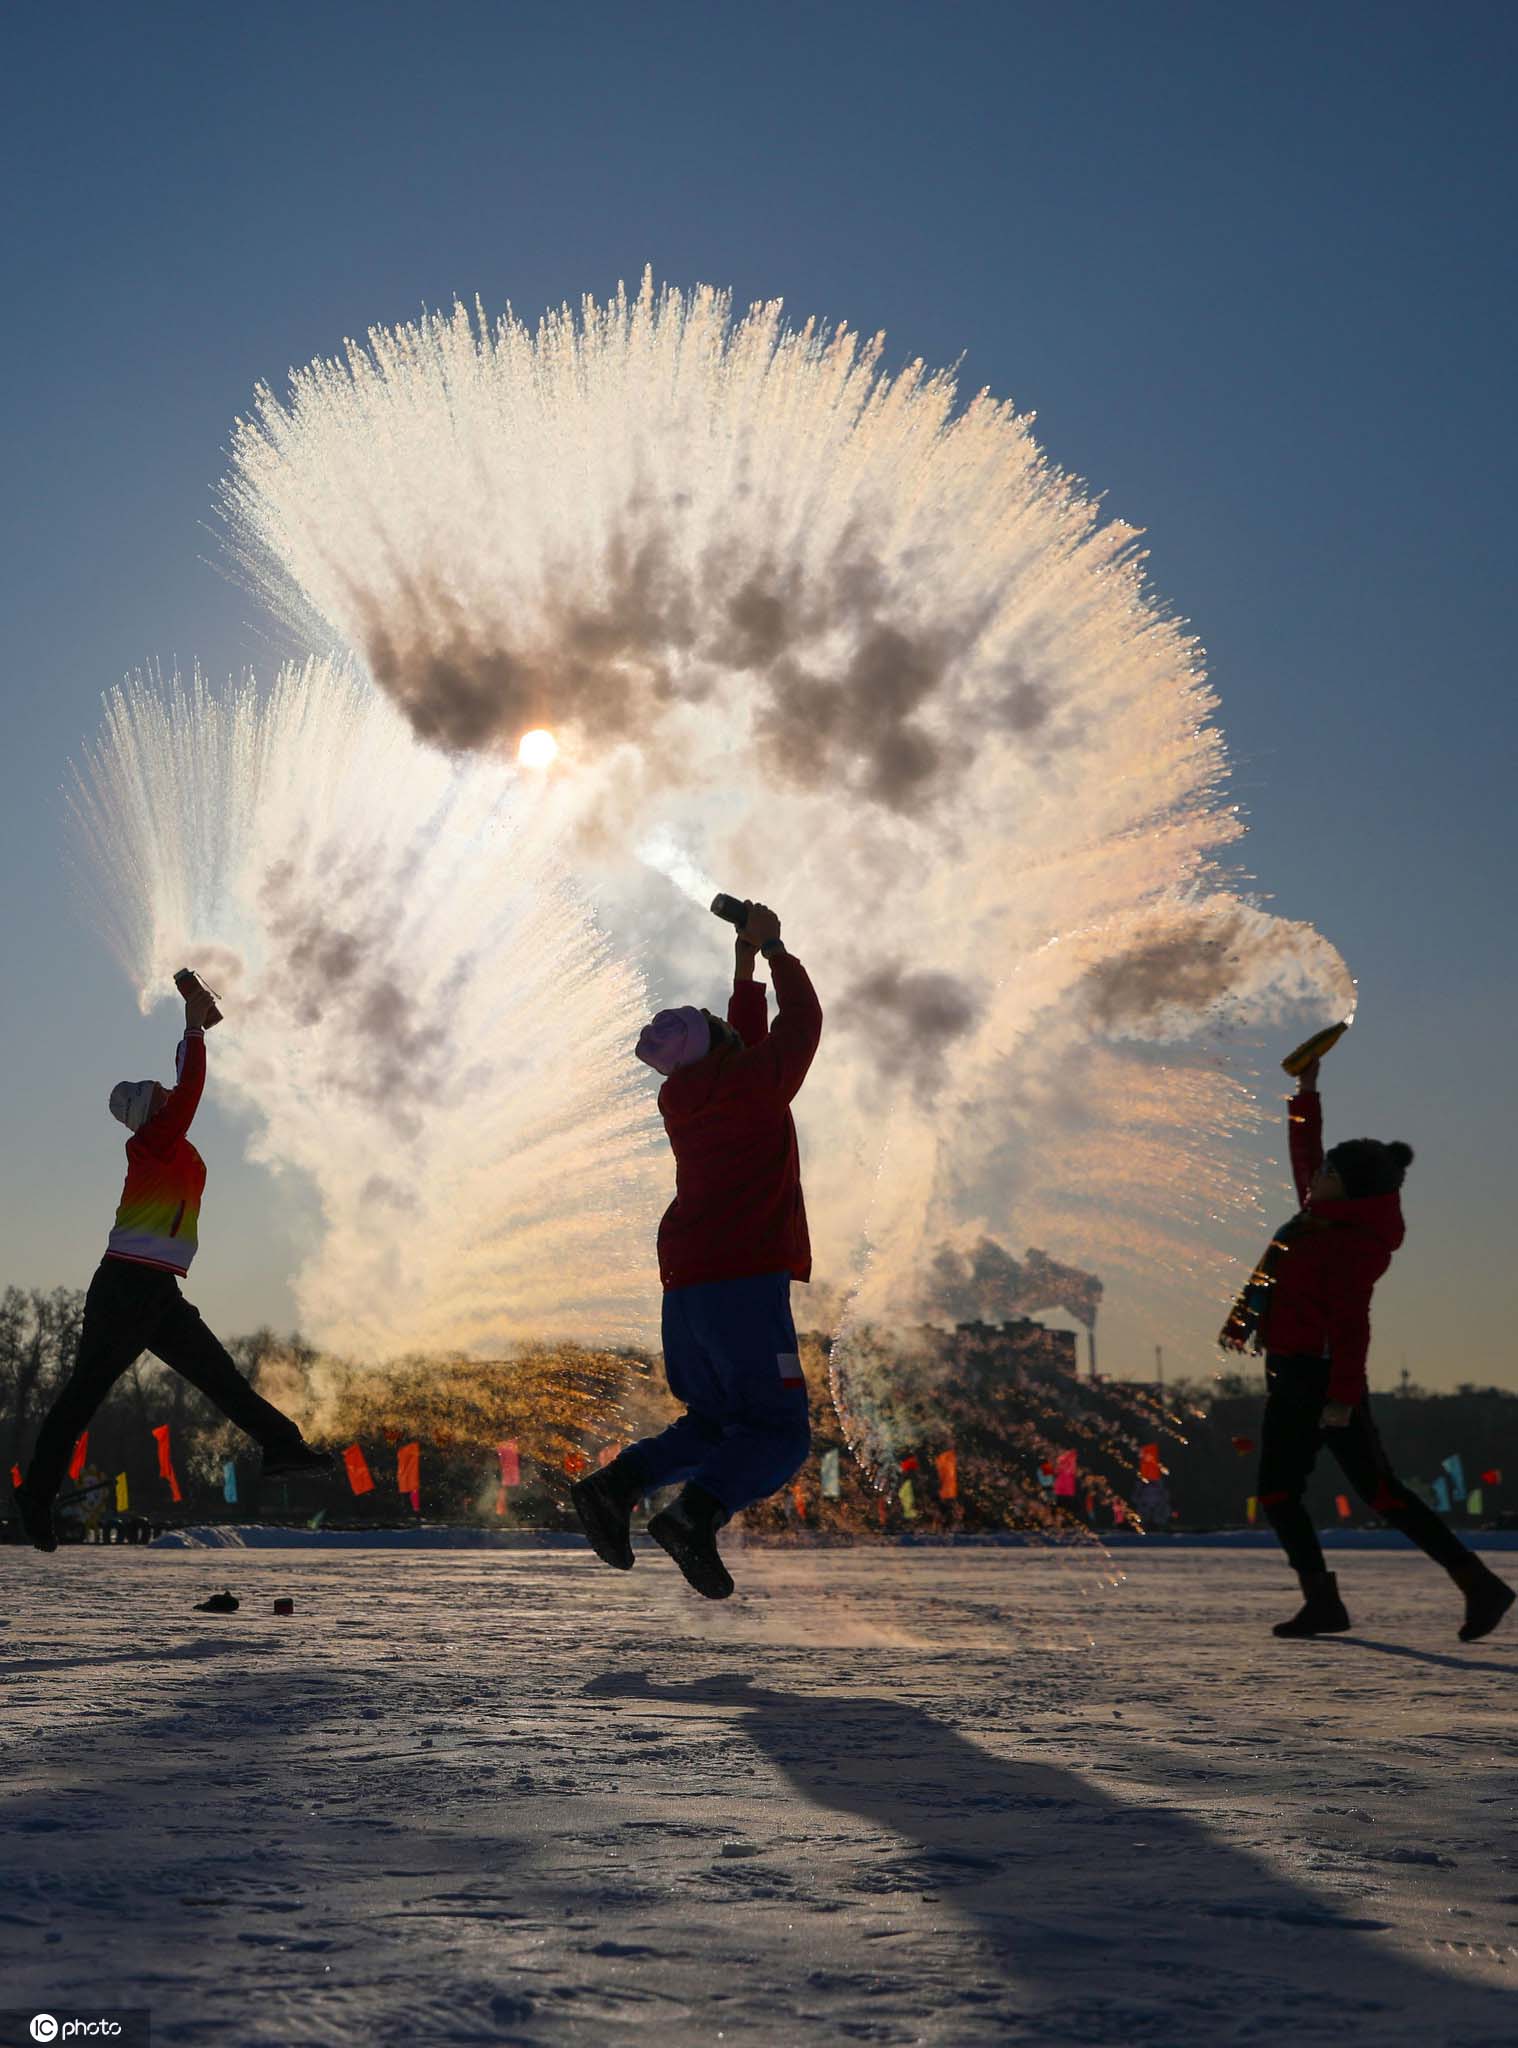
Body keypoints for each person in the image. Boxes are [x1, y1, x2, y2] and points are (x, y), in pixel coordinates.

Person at [14, 981, 329, 1552]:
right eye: (156, 1091)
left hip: (155, 1290)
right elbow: (189, 1090)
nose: (165, 1089)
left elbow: (184, 1081)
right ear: (149, 1111)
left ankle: (282, 1446)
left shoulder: (170, 1141)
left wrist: (198, 1026)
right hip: (126, 1286)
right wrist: (189, 1022)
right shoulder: (154, 1141)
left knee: (219, 1376)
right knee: (82, 1398)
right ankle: (34, 1499)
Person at [572, 901, 822, 1599]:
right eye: (717, 1026)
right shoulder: (752, 1086)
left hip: (689, 1288)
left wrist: (742, 966)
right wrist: (775, 947)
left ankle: (614, 1487)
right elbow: (801, 1028)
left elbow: (741, 1044)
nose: (725, 1027)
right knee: (778, 1434)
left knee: (716, 1423)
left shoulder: (689, 1096)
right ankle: (694, 1517)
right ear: (719, 1049)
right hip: (743, 1285)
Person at [1223, 1052, 1513, 1642]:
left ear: (1347, 1189)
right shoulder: (1321, 1215)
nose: (1315, 1177)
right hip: (1298, 1373)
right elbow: (1306, 1153)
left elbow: (1351, 1328)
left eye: (1327, 1173)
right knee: (1377, 1491)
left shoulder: (1348, 1242)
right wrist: (1306, 1091)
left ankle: (1331, 1602)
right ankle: (1475, 1584)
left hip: (1317, 1379)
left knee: (1282, 1492)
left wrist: (1341, 1399)